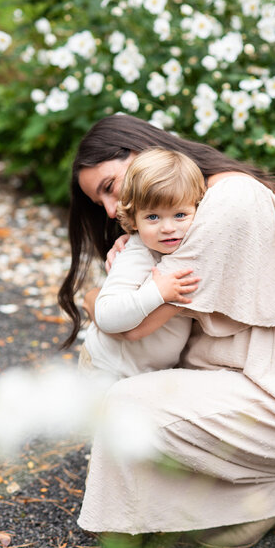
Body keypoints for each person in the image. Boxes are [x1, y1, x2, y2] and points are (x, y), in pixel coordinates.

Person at [58, 114, 275, 548]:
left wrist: (96, 297)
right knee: (119, 382)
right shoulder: (181, 215)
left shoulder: (227, 201)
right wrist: (138, 239)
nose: (108, 208)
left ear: (141, 153)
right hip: (253, 381)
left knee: (125, 401)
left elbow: (132, 328)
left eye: (108, 187)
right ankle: (268, 497)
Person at [82, 148, 204, 378]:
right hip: (107, 369)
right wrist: (156, 292)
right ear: (133, 220)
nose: (168, 228)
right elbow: (106, 315)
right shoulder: (137, 255)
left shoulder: (185, 247)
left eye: (180, 215)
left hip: (143, 372)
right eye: (153, 217)